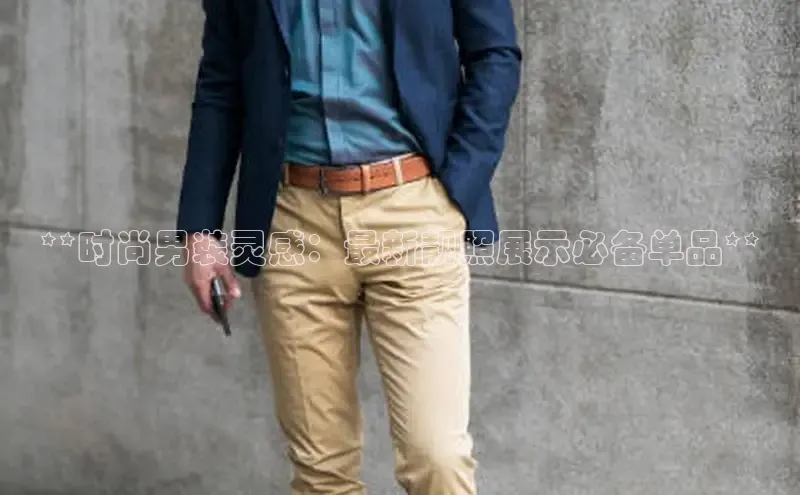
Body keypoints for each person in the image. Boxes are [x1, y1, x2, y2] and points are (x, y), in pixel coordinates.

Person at [176, 0, 521, 492]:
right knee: (322, 471)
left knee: (437, 457)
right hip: (291, 220)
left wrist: (458, 182)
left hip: (411, 209)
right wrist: (200, 230)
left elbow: (495, 54)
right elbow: (220, 80)